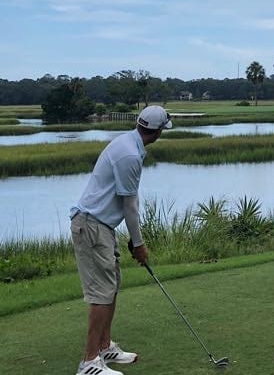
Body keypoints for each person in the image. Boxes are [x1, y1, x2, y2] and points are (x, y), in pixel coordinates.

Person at [69, 104, 172, 375]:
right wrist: (138, 244)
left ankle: (104, 347)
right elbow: (130, 207)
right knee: (102, 293)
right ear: (158, 131)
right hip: (92, 226)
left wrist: (132, 239)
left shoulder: (129, 143)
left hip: (101, 225)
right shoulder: (129, 155)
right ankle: (89, 362)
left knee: (111, 287)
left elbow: (129, 199)